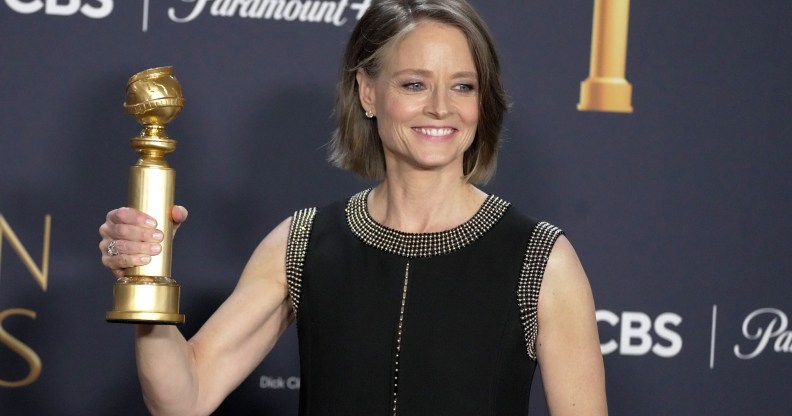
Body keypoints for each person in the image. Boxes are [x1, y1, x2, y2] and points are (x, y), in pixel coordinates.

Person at [99, 0, 608, 414]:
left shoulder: (540, 259)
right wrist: (144, 282)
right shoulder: (301, 244)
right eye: (414, 84)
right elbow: (182, 400)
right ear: (367, 91)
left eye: (463, 86)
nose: (441, 107)